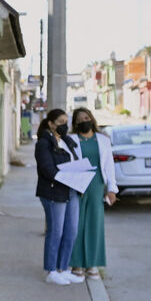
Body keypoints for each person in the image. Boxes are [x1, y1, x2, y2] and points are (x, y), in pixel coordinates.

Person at [34, 108, 84, 285]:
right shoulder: (43, 143)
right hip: (54, 192)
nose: (65, 126)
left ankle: (63, 268)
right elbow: (47, 169)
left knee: (71, 231)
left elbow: (75, 161)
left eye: (66, 122)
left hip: (71, 190)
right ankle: (51, 270)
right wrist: (68, 176)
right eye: (61, 122)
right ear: (51, 124)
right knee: (56, 231)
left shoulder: (67, 141)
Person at [68, 108, 117, 278]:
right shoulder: (70, 140)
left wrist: (112, 189)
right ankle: (77, 264)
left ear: (92, 119)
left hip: (97, 185)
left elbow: (109, 166)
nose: (84, 121)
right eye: (80, 119)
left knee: (95, 224)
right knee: (77, 224)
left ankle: (92, 264)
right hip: (78, 186)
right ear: (75, 123)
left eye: (87, 117)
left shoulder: (103, 140)